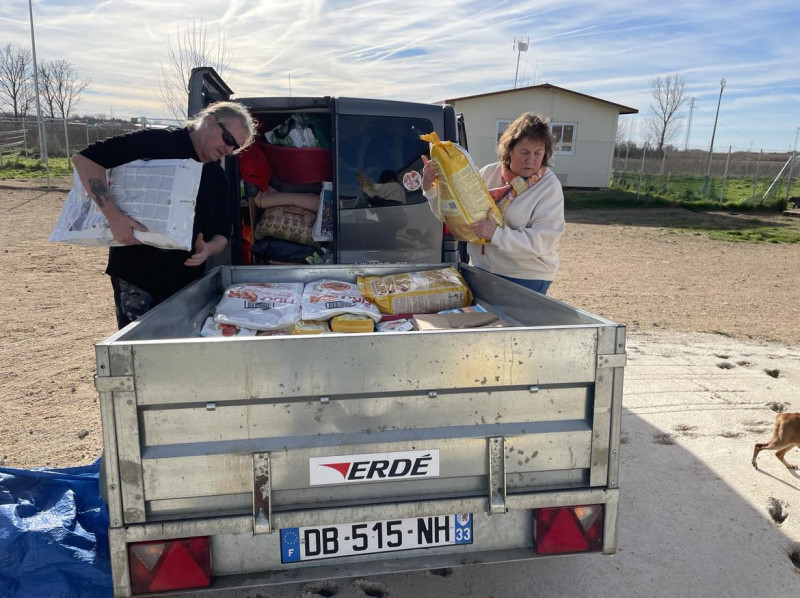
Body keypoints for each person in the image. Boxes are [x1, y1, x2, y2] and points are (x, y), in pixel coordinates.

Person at [72, 101, 257, 328]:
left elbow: (222, 234)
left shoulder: (217, 176)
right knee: (139, 346)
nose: (229, 150)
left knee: (174, 346)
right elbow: (86, 159)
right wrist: (114, 217)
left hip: (185, 285)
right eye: (228, 139)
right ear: (209, 122)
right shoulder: (158, 142)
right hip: (137, 277)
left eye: (236, 147)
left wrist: (208, 249)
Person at [422, 112, 565, 295]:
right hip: (481, 269)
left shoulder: (548, 186)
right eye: (524, 152)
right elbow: (454, 215)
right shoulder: (488, 173)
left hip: (526, 276)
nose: (531, 160)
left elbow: (544, 241)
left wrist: (496, 234)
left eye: (538, 153)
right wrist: (430, 188)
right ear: (509, 150)